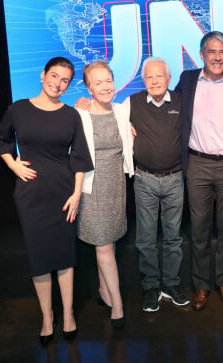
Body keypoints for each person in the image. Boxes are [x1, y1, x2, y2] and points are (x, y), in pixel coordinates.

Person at [0, 57, 93, 345]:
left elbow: (80, 157)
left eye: (65, 80)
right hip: (31, 195)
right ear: (42, 75)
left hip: (63, 193)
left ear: (68, 85)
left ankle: (69, 315)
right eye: (54, 76)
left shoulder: (71, 115)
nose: (58, 83)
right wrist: (13, 165)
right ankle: (48, 317)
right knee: (39, 259)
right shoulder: (18, 109)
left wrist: (76, 194)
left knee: (64, 257)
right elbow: (1, 140)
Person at [175, 31, 223, 311]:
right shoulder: (188, 80)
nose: (217, 57)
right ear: (202, 54)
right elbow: (166, 106)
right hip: (197, 164)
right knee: (199, 229)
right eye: (212, 51)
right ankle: (202, 285)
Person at [75, 61, 134, 329]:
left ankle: (103, 289)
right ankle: (118, 305)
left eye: (107, 80)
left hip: (116, 187)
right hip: (90, 187)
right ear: (88, 88)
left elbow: (129, 136)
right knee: (103, 245)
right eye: (97, 82)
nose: (105, 86)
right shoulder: (80, 114)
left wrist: (131, 129)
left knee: (106, 242)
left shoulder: (123, 111)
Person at [127, 58, 189, 312]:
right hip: (145, 180)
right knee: (146, 239)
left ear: (168, 79)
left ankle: (171, 284)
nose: (154, 81)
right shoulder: (132, 103)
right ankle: (151, 287)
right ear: (143, 80)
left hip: (175, 179)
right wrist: (84, 103)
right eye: (149, 77)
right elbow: (104, 112)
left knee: (173, 238)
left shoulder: (182, 102)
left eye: (159, 77)